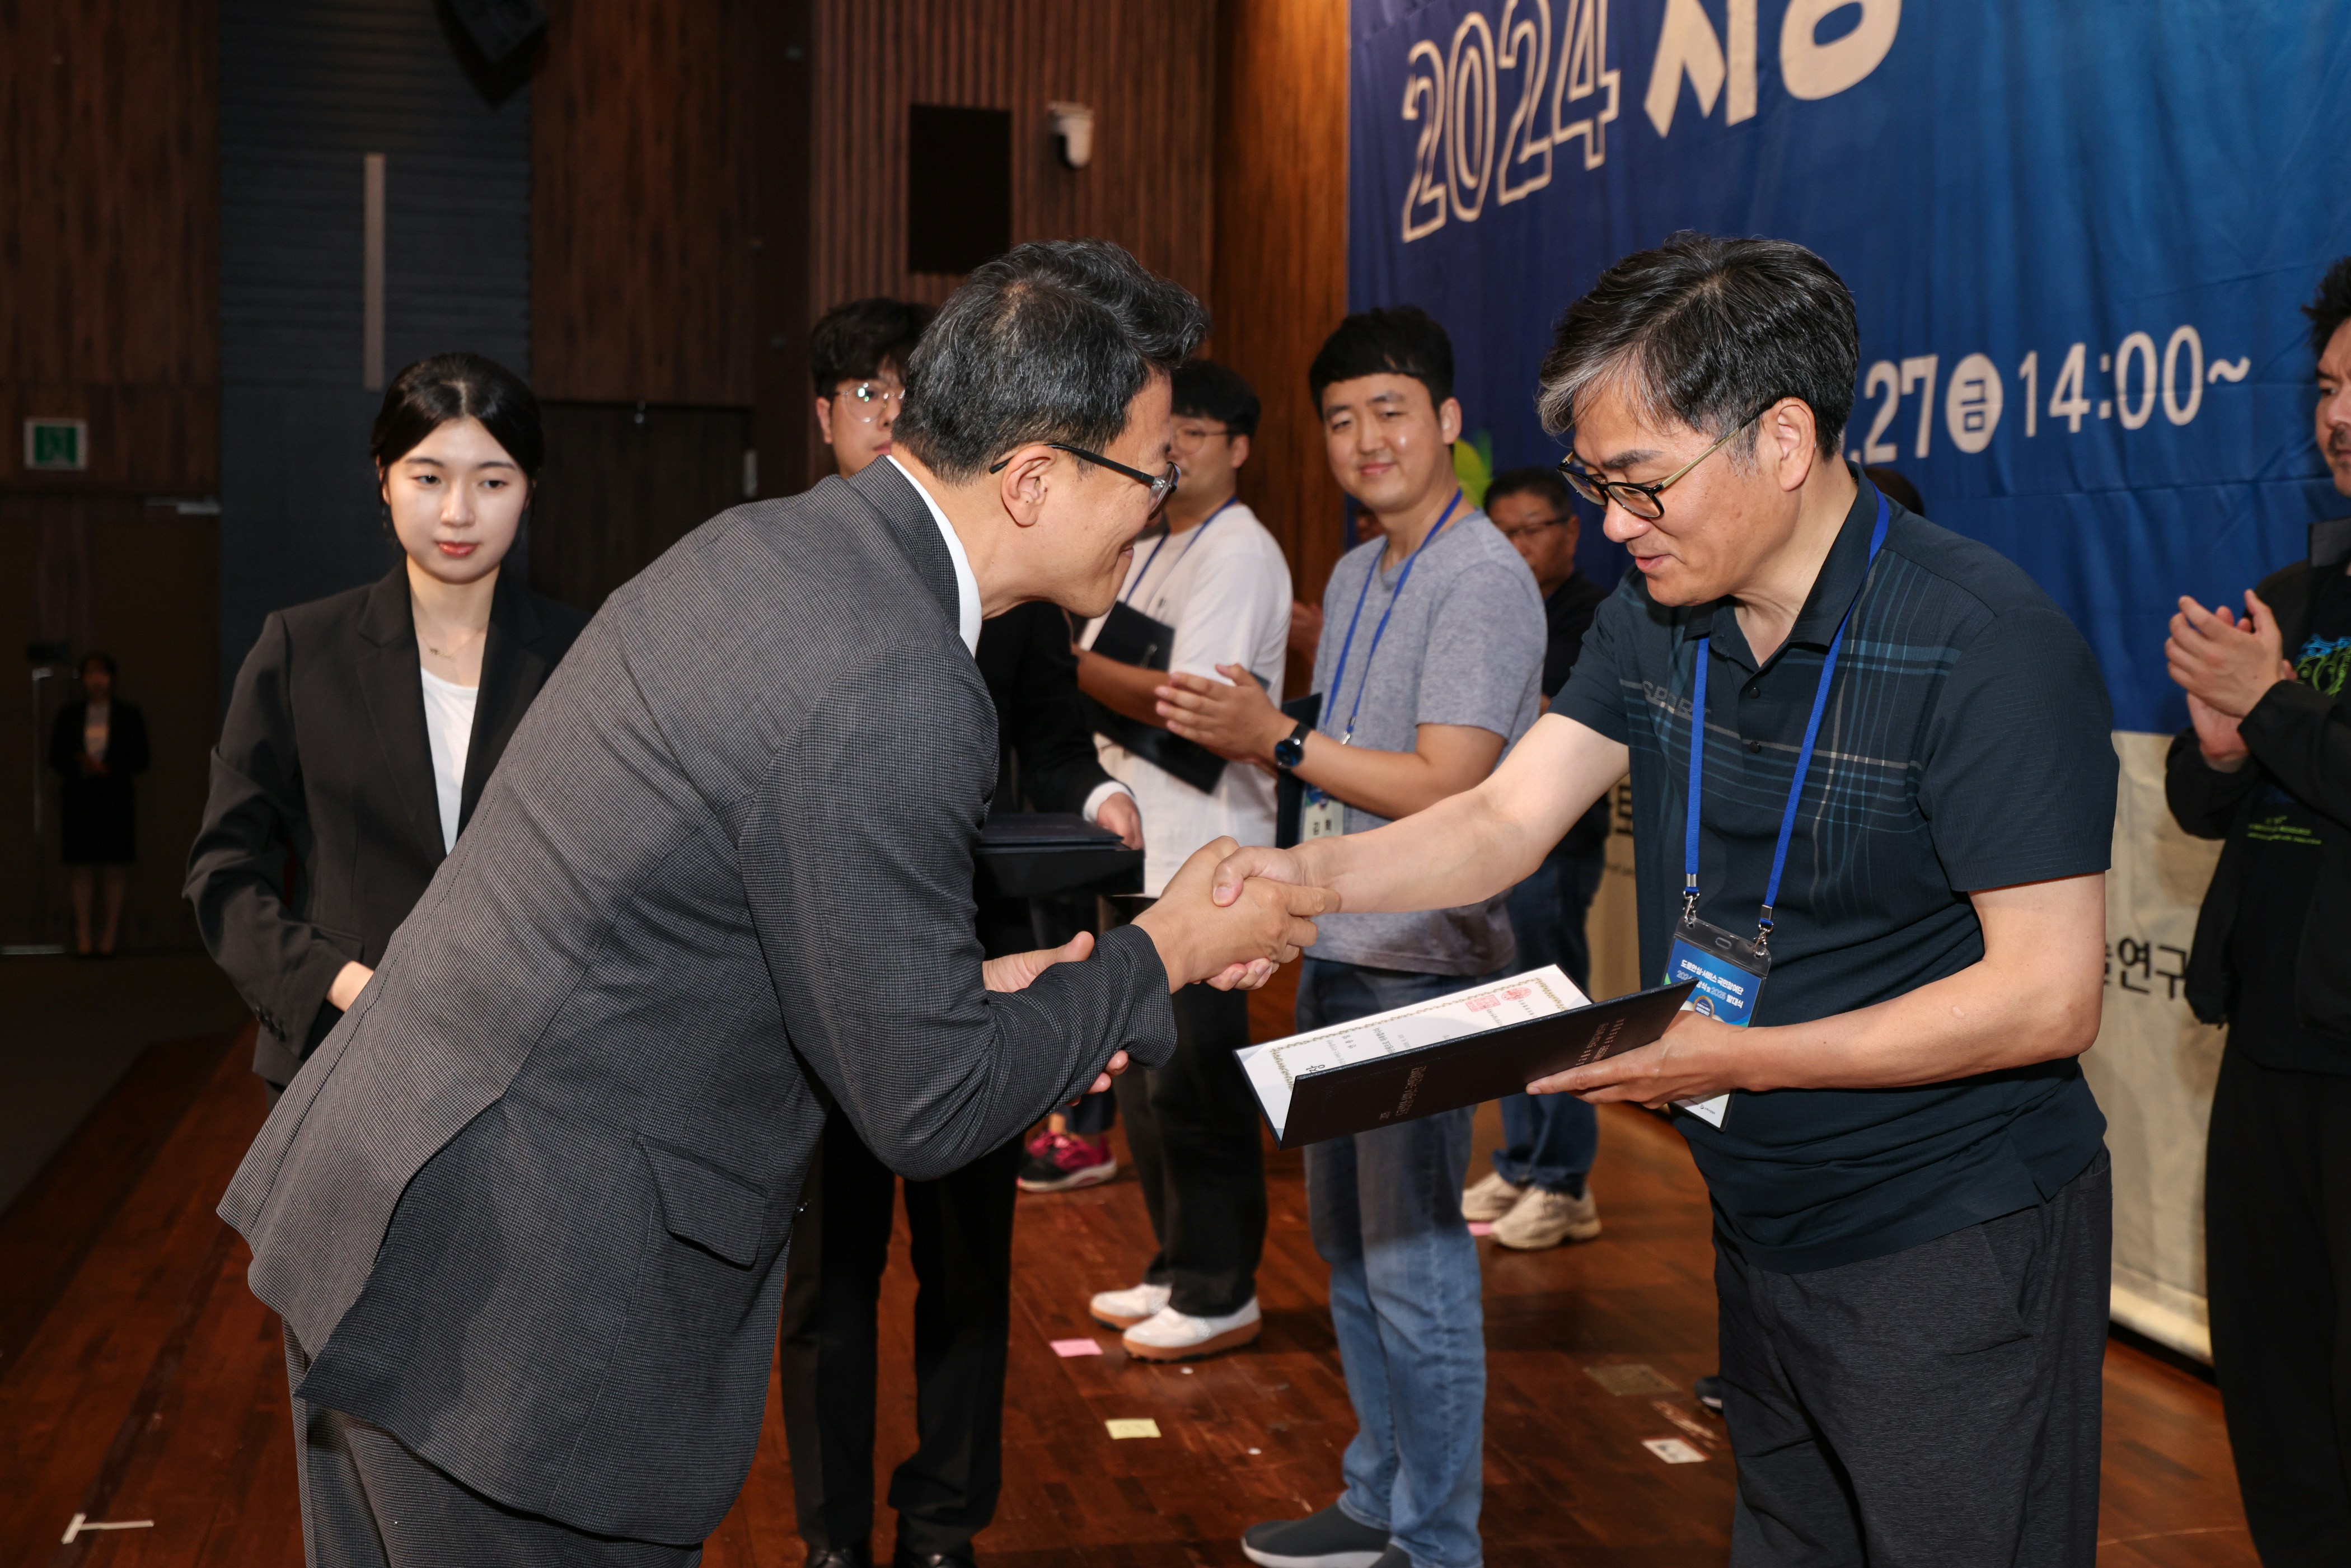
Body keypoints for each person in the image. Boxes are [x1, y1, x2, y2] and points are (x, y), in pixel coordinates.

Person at [217, 239, 1334, 1568]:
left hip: (392, 1222)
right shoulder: (899, 675)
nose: (1155, 509)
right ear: (1034, 478)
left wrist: (971, 990)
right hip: (520, 1329)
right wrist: (1169, 948)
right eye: (1148, 475)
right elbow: (924, 1107)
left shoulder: (772, 548)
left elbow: (703, 922)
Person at [1206, 235, 2119, 1568]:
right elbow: (1504, 821)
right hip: (1762, 1214)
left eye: (1642, 486)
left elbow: (2048, 996)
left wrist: (1731, 1055)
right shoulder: (1661, 616)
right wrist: (1295, 886)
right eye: (1598, 485)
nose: (1615, 527)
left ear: (1786, 439)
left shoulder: (1981, 644)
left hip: (1950, 1235)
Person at [1155, 306, 1544, 1568]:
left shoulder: (1480, 574)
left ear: (1447, 424)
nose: (1365, 438)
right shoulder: (1376, 566)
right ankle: (1381, 1493)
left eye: (1391, 410)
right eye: (1339, 417)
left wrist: (1272, 733)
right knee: (1352, 1248)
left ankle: (1438, 1538)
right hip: (1345, 944)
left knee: (1418, 1259)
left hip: (1426, 963)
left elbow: (1455, 786)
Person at [778, 296, 1140, 1568]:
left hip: (978, 966)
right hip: (818, 985)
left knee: (969, 1273)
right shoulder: (790, 572)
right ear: (824, 417)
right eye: (861, 394)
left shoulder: (1020, 582)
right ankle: (830, 1538)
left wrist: (1096, 794)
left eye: (902, 392)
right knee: (828, 1279)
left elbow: (1054, 736)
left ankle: (943, 1526)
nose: (884, 415)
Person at [186, 353, 588, 1094]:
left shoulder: (587, 659)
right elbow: (223, 874)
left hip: (532, 1072)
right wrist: (343, 985)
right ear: (383, 477)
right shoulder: (300, 649)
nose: (458, 512)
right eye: (428, 476)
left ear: (529, 491)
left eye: (492, 481)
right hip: (341, 1056)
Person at [2163, 255, 2351, 1567]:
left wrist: (2273, 708)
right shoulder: (2293, 597)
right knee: (2278, 1383)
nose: (2339, 416)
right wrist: (2226, 745)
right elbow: (2200, 799)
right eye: (2332, 387)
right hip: (2269, 1050)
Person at [1073, 358, 1292, 1360]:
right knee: (1151, 1076)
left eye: (1199, 433)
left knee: (1199, 1078)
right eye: (1171, 435)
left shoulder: (1238, 550)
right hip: (1140, 843)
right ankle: (1173, 1262)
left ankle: (1221, 1284)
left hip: (1205, 855)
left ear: (1240, 447)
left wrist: (1065, 665)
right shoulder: (1161, 541)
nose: (1180, 451)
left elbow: (1194, 705)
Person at [1461, 466, 1612, 1250]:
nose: (1517, 548)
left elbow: (1549, 725)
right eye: (1503, 533)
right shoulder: (1493, 608)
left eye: (1532, 530)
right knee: (1506, 1004)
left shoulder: (1595, 614)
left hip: (1558, 844)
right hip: (1491, 838)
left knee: (1554, 1006)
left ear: (1571, 531)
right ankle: (1521, 1162)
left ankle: (1565, 1182)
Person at [50, 652, 149, 957]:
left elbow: (142, 758)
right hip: (80, 798)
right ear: (82, 680)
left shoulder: (129, 714)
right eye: (91, 674)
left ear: (113, 678)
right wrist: (82, 766)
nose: (97, 680)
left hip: (115, 797)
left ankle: (110, 935)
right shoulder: (69, 714)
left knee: (114, 867)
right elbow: (56, 757)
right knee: (81, 867)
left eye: (103, 673)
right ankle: (83, 933)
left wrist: (109, 768)